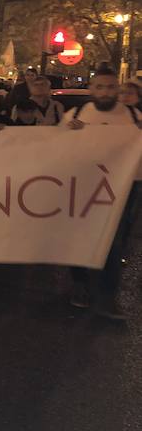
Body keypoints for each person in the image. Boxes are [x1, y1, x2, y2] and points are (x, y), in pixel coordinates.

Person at [63, 67, 141, 320]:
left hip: (121, 190)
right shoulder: (74, 115)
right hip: (82, 187)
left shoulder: (133, 116)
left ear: (117, 89)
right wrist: (67, 134)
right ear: (91, 89)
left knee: (114, 242)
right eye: (100, 87)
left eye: (110, 87)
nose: (105, 92)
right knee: (80, 236)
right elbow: (52, 150)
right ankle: (80, 284)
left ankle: (108, 296)